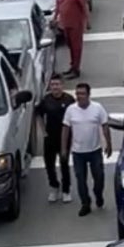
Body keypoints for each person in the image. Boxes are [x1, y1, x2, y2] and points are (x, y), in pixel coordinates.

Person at [61, 83, 112, 217]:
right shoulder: (70, 110)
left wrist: (109, 143)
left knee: (99, 177)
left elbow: (105, 126)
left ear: (89, 95)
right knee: (80, 179)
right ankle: (86, 203)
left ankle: (98, 194)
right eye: (77, 94)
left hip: (95, 150)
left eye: (82, 94)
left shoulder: (98, 108)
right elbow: (65, 129)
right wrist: (64, 149)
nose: (79, 97)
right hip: (78, 152)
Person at [35, 75, 75, 204]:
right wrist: (43, 131)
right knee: (49, 165)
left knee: (64, 164)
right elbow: (38, 115)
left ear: (62, 85)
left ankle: (66, 190)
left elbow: (76, 116)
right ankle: (54, 186)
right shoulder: (46, 100)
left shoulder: (69, 100)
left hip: (65, 137)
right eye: (53, 85)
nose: (55, 87)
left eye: (57, 84)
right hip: (50, 137)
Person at [54, 0, 90, 79]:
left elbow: (84, 6)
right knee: (69, 45)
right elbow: (58, 7)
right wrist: (55, 19)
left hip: (76, 24)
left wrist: (87, 21)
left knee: (76, 47)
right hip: (65, 24)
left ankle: (76, 69)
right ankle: (72, 65)